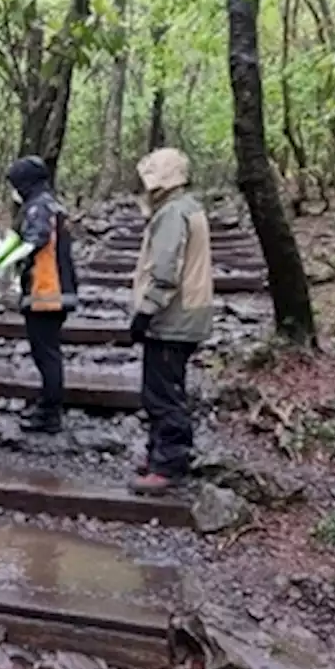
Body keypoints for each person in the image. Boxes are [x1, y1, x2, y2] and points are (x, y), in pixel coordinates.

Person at [127, 148, 214, 495]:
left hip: (173, 316)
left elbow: (165, 270)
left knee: (162, 393)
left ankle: (169, 464)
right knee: (165, 387)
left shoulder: (172, 213)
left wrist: (146, 311)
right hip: (188, 312)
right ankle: (159, 454)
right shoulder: (188, 207)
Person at [0, 156, 77, 434]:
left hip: (46, 291)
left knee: (46, 354)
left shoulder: (38, 208)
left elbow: (34, 241)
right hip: (56, 289)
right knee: (48, 352)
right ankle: (48, 406)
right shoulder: (52, 204)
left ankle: (49, 413)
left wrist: (3, 265)